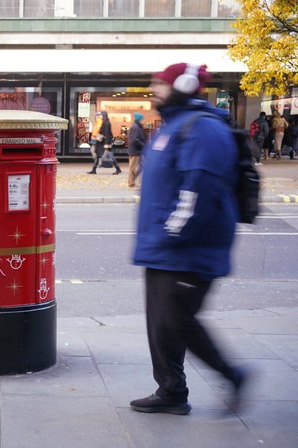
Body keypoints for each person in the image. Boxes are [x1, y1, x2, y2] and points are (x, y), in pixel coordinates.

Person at [131, 63, 249, 415]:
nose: (154, 88)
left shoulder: (204, 129)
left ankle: (233, 375)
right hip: (161, 248)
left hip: (187, 248)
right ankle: (171, 391)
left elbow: (197, 190)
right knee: (160, 324)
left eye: (160, 83)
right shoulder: (173, 126)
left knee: (176, 320)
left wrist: (171, 232)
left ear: (182, 86)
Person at [87, 111, 121, 175]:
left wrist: (107, 143)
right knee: (98, 155)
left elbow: (107, 134)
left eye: (101, 115)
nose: (100, 116)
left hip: (104, 142)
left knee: (109, 155)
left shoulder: (106, 123)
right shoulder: (105, 122)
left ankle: (118, 169)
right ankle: (94, 169)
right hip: (102, 141)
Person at [127, 112, 146, 188]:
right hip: (135, 150)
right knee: (133, 167)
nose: (144, 120)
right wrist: (143, 145)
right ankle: (131, 183)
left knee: (142, 165)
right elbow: (135, 139)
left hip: (138, 150)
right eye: (142, 119)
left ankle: (133, 180)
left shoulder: (138, 126)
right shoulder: (135, 127)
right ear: (139, 120)